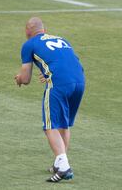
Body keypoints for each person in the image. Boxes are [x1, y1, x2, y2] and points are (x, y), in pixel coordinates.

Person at [15, 17, 85, 182]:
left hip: (59, 84)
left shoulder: (29, 44)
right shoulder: (61, 39)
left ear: (27, 31)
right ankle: (60, 162)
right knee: (63, 123)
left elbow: (25, 79)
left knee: (50, 126)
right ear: (44, 30)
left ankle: (64, 167)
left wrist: (19, 78)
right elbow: (70, 62)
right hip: (79, 81)